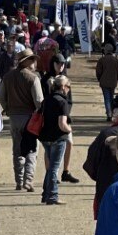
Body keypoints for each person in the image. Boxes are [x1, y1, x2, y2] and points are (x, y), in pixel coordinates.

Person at [1, 51, 45, 193]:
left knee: (17, 150)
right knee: (31, 149)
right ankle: (28, 180)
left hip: (14, 117)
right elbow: (39, 101)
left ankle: (19, 181)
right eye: (32, 59)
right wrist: (39, 114)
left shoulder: (7, 77)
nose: (34, 62)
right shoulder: (33, 78)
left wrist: (7, 108)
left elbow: (1, 97)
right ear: (25, 61)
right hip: (30, 118)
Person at [38, 74, 76, 204]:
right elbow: (62, 124)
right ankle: (53, 195)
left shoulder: (47, 100)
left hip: (45, 137)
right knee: (54, 168)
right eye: (69, 87)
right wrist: (69, 130)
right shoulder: (62, 102)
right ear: (63, 87)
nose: (69, 90)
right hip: (58, 138)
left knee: (50, 168)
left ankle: (45, 194)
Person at [95, 46, 118, 120]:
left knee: (107, 98)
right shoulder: (116, 61)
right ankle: (111, 112)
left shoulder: (102, 60)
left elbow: (98, 72)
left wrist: (100, 79)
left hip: (104, 82)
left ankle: (109, 114)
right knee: (111, 97)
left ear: (106, 51)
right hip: (113, 82)